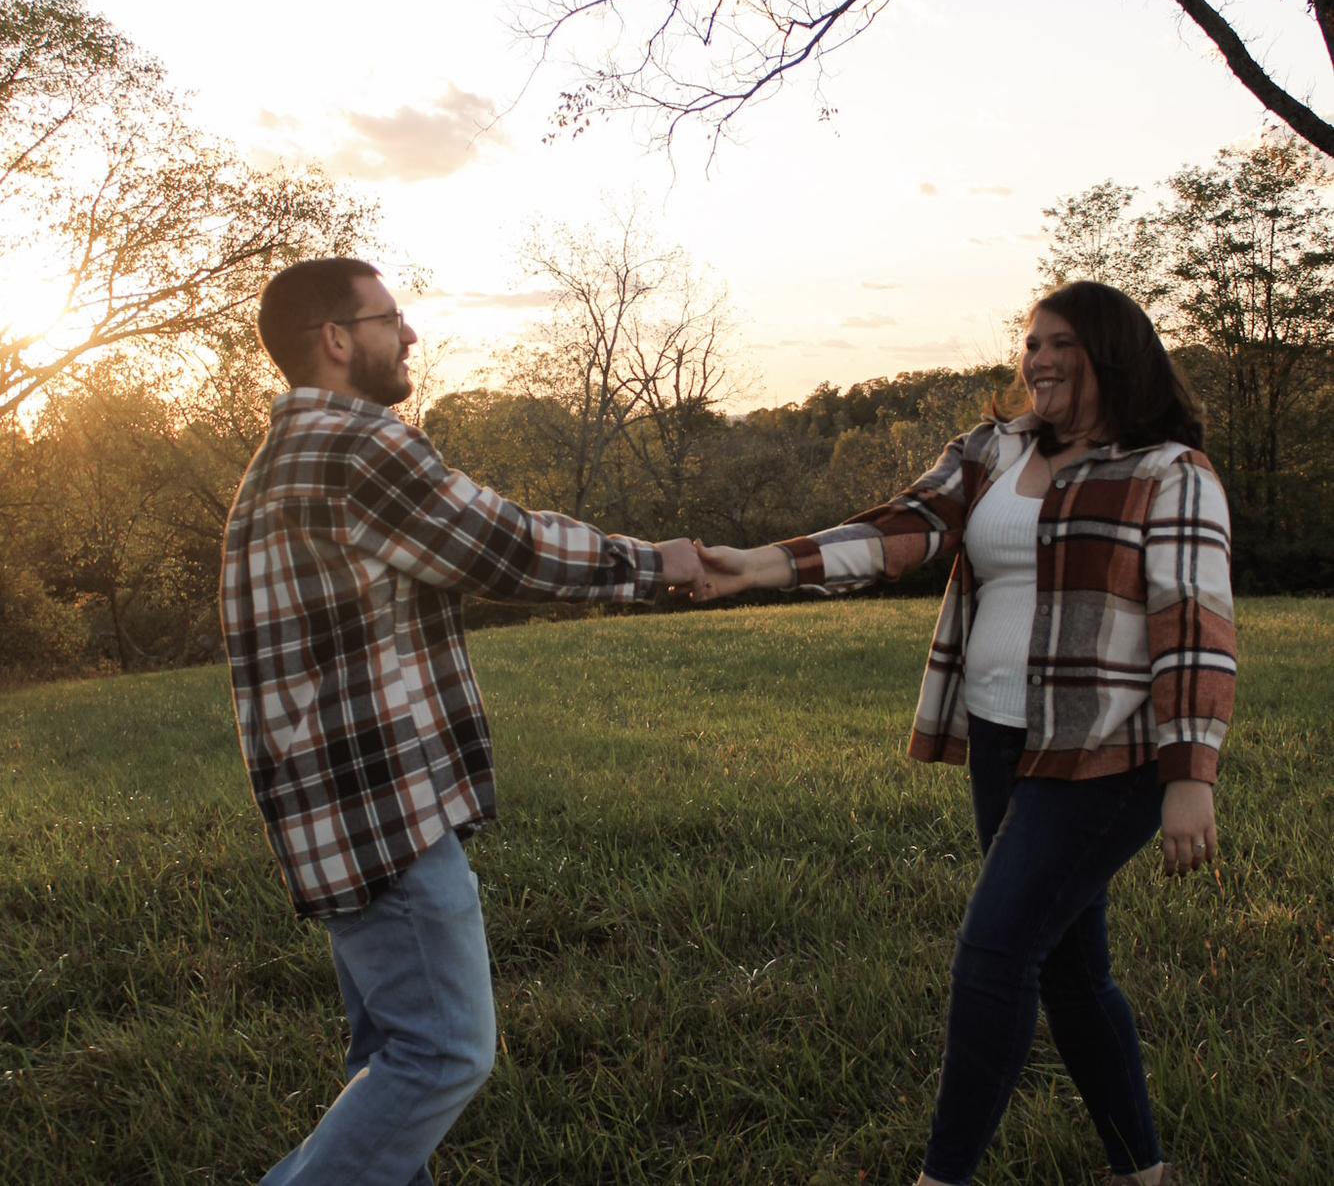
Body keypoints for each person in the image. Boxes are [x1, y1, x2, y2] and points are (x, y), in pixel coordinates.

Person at [695, 281, 1235, 1186]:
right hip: (1000, 741)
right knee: (1068, 967)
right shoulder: (991, 449)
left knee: (994, 953)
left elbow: (1195, 626)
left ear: (1113, 352)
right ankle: (1144, 1171)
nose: (1040, 360)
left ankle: (941, 1177)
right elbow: (903, 528)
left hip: (1107, 757)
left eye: (1061, 343)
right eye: (1031, 343)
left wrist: (1192, 773)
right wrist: (763, 564)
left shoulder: (1168, 472)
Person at [219, 257, 704, 1185]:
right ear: (335, 340)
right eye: (390, 318)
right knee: (442, 1056)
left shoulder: (279, 463)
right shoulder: (358, 447)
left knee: (387, 1064)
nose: (408, 336)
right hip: (384, 815)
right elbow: (506, 548)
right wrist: (662, 561)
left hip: (334, 818)